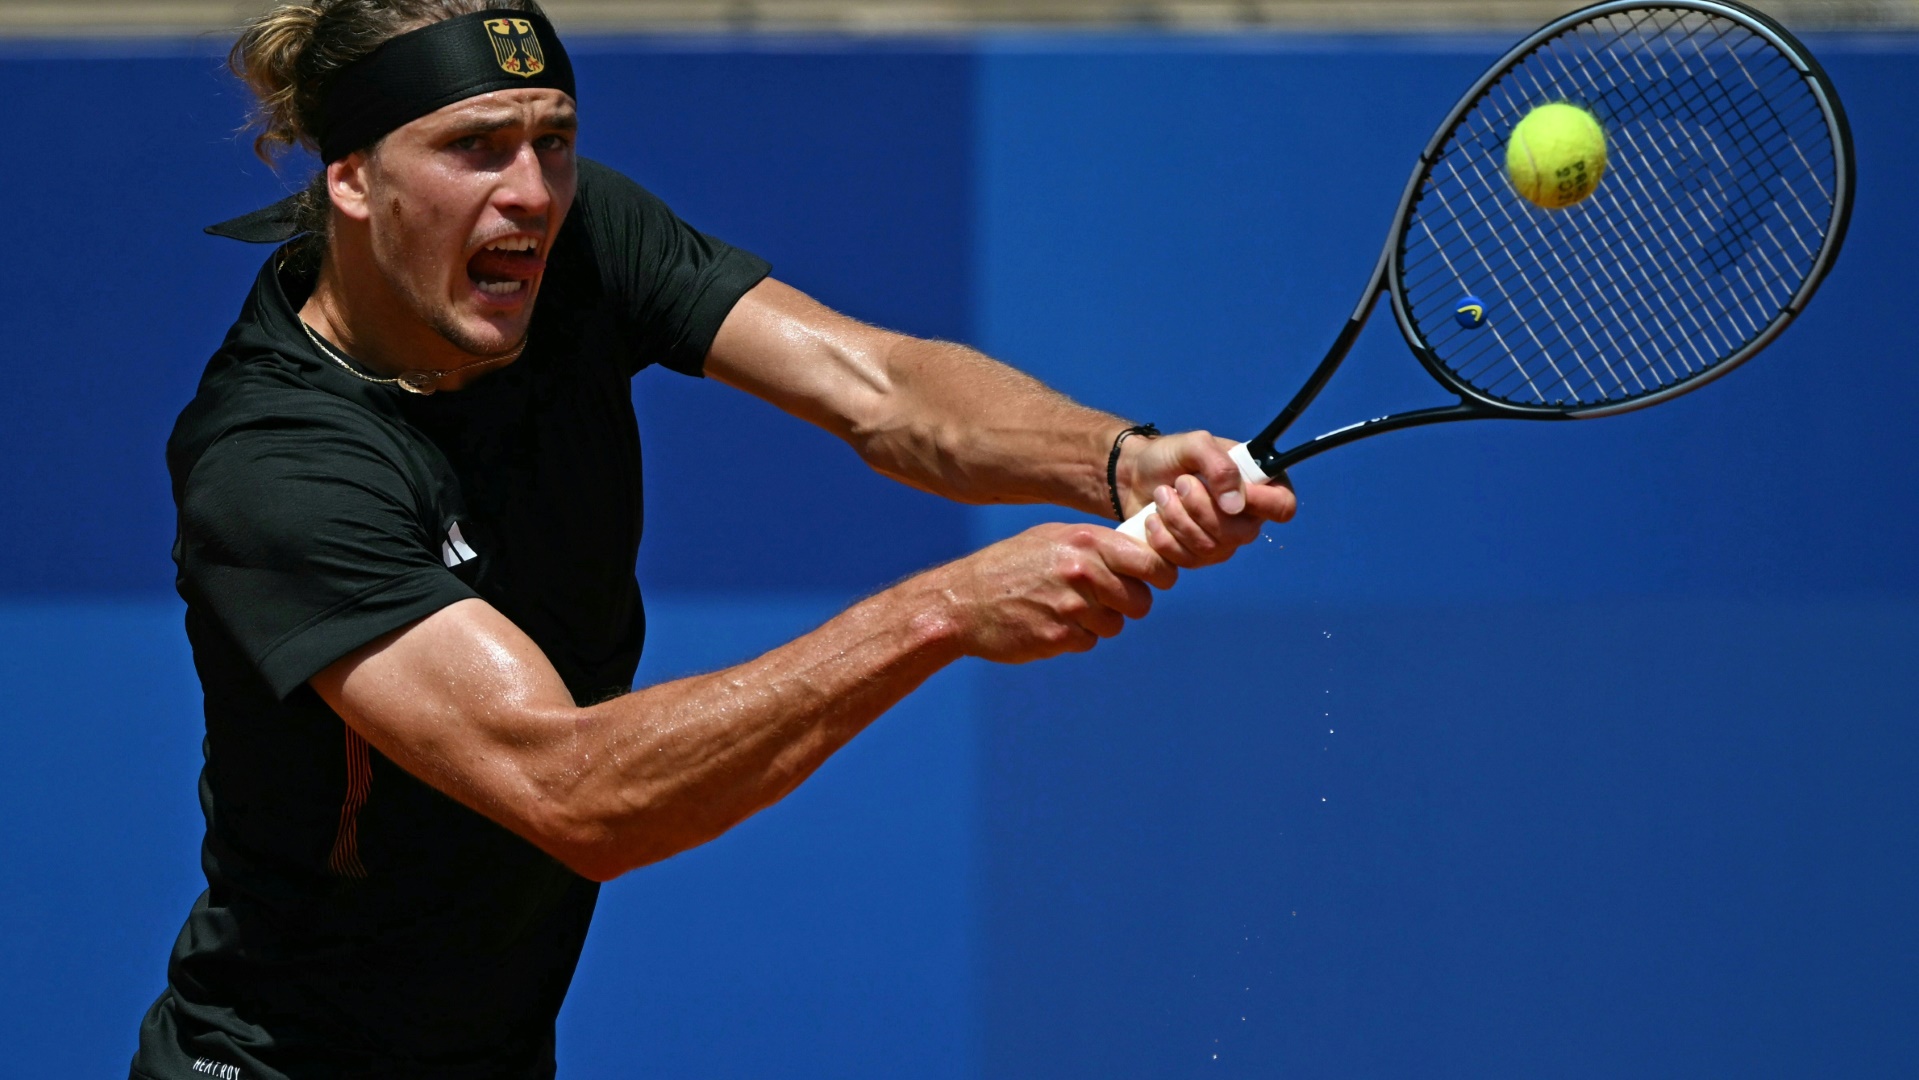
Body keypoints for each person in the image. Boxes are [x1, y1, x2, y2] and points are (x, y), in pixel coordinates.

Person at [132, 2, 1297, 1077]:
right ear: (351, 179)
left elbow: (880, 386)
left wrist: (1114, 458)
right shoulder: (278, 466)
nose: (531, 191)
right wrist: (940, 613)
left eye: (553, 139)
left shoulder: (579, 240)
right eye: (476, 146)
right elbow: (575, 793)